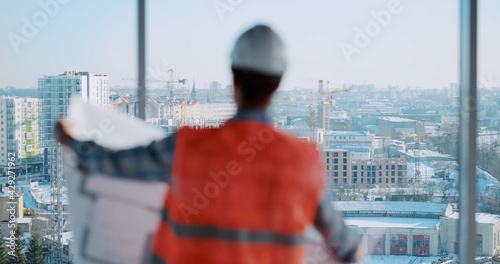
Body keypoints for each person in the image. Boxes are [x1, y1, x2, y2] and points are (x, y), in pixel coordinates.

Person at [55, 24, 363, 264]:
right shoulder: (303, 162)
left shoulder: (188, 147)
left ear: (233, 76)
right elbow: (344, 243)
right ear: (278, 83)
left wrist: (73, 140)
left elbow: (112, 163)